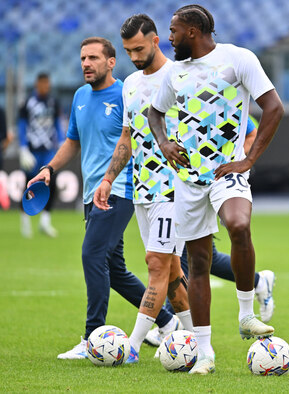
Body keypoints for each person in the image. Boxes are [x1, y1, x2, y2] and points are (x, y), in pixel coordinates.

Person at [93, 15, 276, 359]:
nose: (134, 56)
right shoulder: (139, 82)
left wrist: (247, 158)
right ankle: (196, 345)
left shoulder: (223, 64)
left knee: (165, 262)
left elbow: (259, 116)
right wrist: (113, 175)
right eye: (128, 50)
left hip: (189, 182)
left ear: (175, 35)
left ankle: (132, 346)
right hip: (160, 185)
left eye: (139, 48)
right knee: (183, 267)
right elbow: (138, 127)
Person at [148, 4, 284, 375]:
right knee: (199, 264)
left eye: (173, 30)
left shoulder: (238, 59)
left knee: (239, 225)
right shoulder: (174, 73)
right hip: (189, 179)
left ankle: (245, 314)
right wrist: (163, 143)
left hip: (228, 171)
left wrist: (248, 159)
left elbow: (274, 108)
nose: (169, 37)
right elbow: (154, 113)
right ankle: (205, 353)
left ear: (192, 30)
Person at [27, 36, 177, 360]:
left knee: (92, 255)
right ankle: (167, 321)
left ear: (111, 62)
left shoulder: (127, 92)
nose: (85, 64)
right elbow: (72, 141)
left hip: (120, 188)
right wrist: (49, 169)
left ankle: (92, 336)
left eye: (93, 58)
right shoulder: (80, 96)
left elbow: (137, 137)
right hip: (90, 193)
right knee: (115, 268)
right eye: (82, 58)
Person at [18, 73, 64, 238]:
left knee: (51, 183)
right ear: (37, 84)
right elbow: (22, 126)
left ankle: (45, 221)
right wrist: (23, 148)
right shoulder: (28, 103)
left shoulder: (53, 102)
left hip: (48, 150)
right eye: (42, 83)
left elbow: (57, 124)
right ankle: (25, 220)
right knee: (28, 184)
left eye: (47, 83)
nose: (45, 86)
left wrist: (61, 142)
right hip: (32, 150)